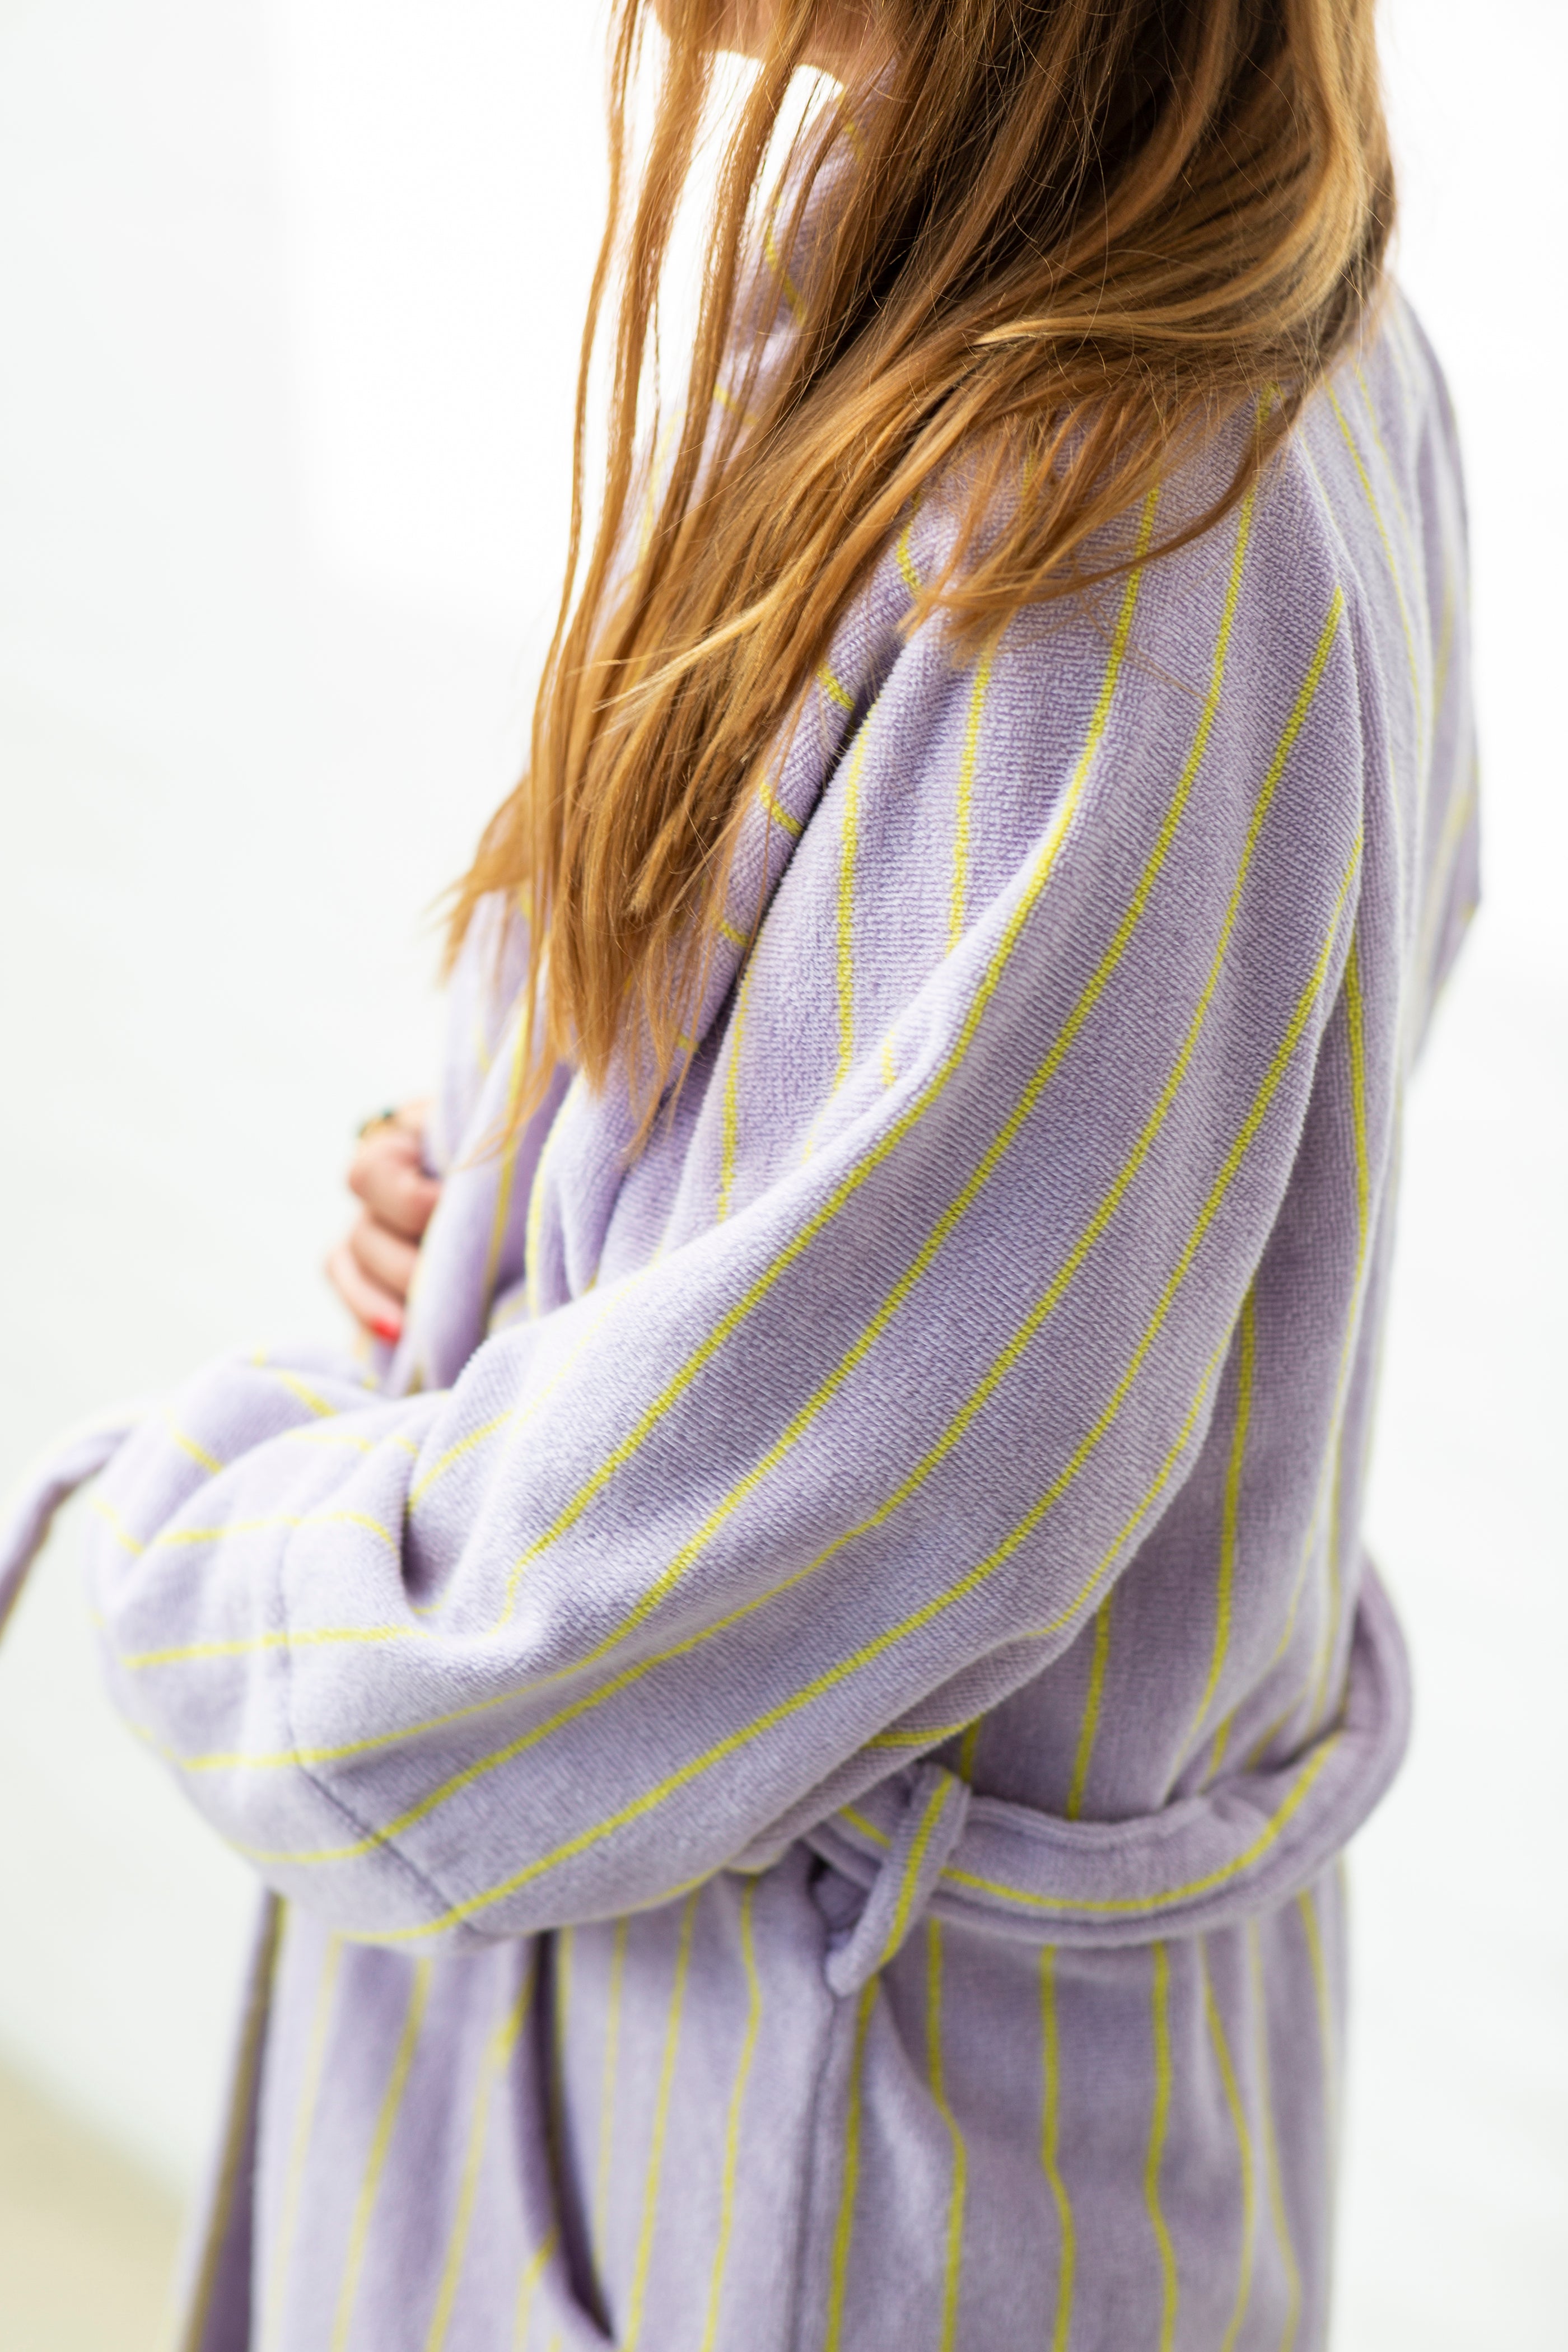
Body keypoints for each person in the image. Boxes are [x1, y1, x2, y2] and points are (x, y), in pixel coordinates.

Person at [0, 0, 1478, 2345]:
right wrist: (553, 1192)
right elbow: (994, 1183)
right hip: (721, 2047)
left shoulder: (1130, 516)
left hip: (807, 2148)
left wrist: (206, 1539)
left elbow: (809, 1522)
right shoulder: (1048, 307)